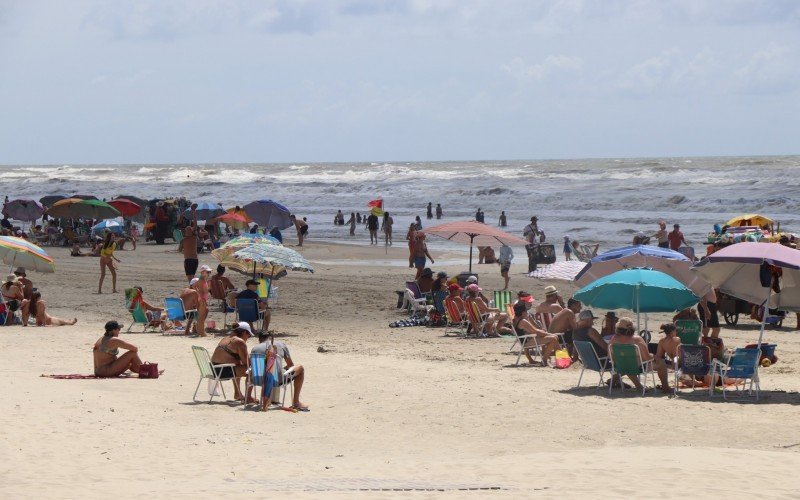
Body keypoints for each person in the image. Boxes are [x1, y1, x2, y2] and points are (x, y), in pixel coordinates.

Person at [608, 317, 673, 394]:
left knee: (627, 362)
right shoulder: (637, 339)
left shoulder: (613, 339)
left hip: (621, 366)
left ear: (618, 329)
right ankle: (666, 388)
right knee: (661, 363)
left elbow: (610, 356)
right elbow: (647, 358)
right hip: (638, 368)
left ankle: (637, 386)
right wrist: (654, 356)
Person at [250, 332, 309, 411]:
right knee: (300, 369)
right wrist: (281, 369)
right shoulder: (280, 345)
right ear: (271, 338)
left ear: (260, 340)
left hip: (257, 380)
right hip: (277, 381)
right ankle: (296, 402)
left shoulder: (255, 348)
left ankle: (248, 397)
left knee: (252, 370)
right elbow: (290, 364)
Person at [210, 322, 252, 401]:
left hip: (213, 369)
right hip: (222, 371)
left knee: (238, 364)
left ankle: (237, 393)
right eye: (248, 335)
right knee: (252, 372)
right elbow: (247, 363)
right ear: (244, 332)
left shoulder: (225, 338)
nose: (247, 337)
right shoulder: (239, 342)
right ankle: (248, 397)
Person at [182, 204, 200, 281]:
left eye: (189, 229)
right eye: (188, 229)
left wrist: (194, 213)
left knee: (191, 279)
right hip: (192, 260)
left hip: (191, 260)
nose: (189, 229)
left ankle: (192, 291)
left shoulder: (192, 237)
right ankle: (194, 290)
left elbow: (195, 225)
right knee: (192, 279)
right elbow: (180, 250)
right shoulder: (187, 239)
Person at [194, 265, 213, 337]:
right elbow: (205, 291)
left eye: (209, 272)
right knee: (201, 317)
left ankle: (200, 332)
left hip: (202, 298)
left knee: (201, 317)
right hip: (202, 299)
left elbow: (194, 285)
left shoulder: (202, 280)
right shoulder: (202, 280)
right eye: (207, 272)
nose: (209, 273)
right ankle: (202, 333)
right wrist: (209, 287)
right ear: (202, 272)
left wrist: (198, 292)